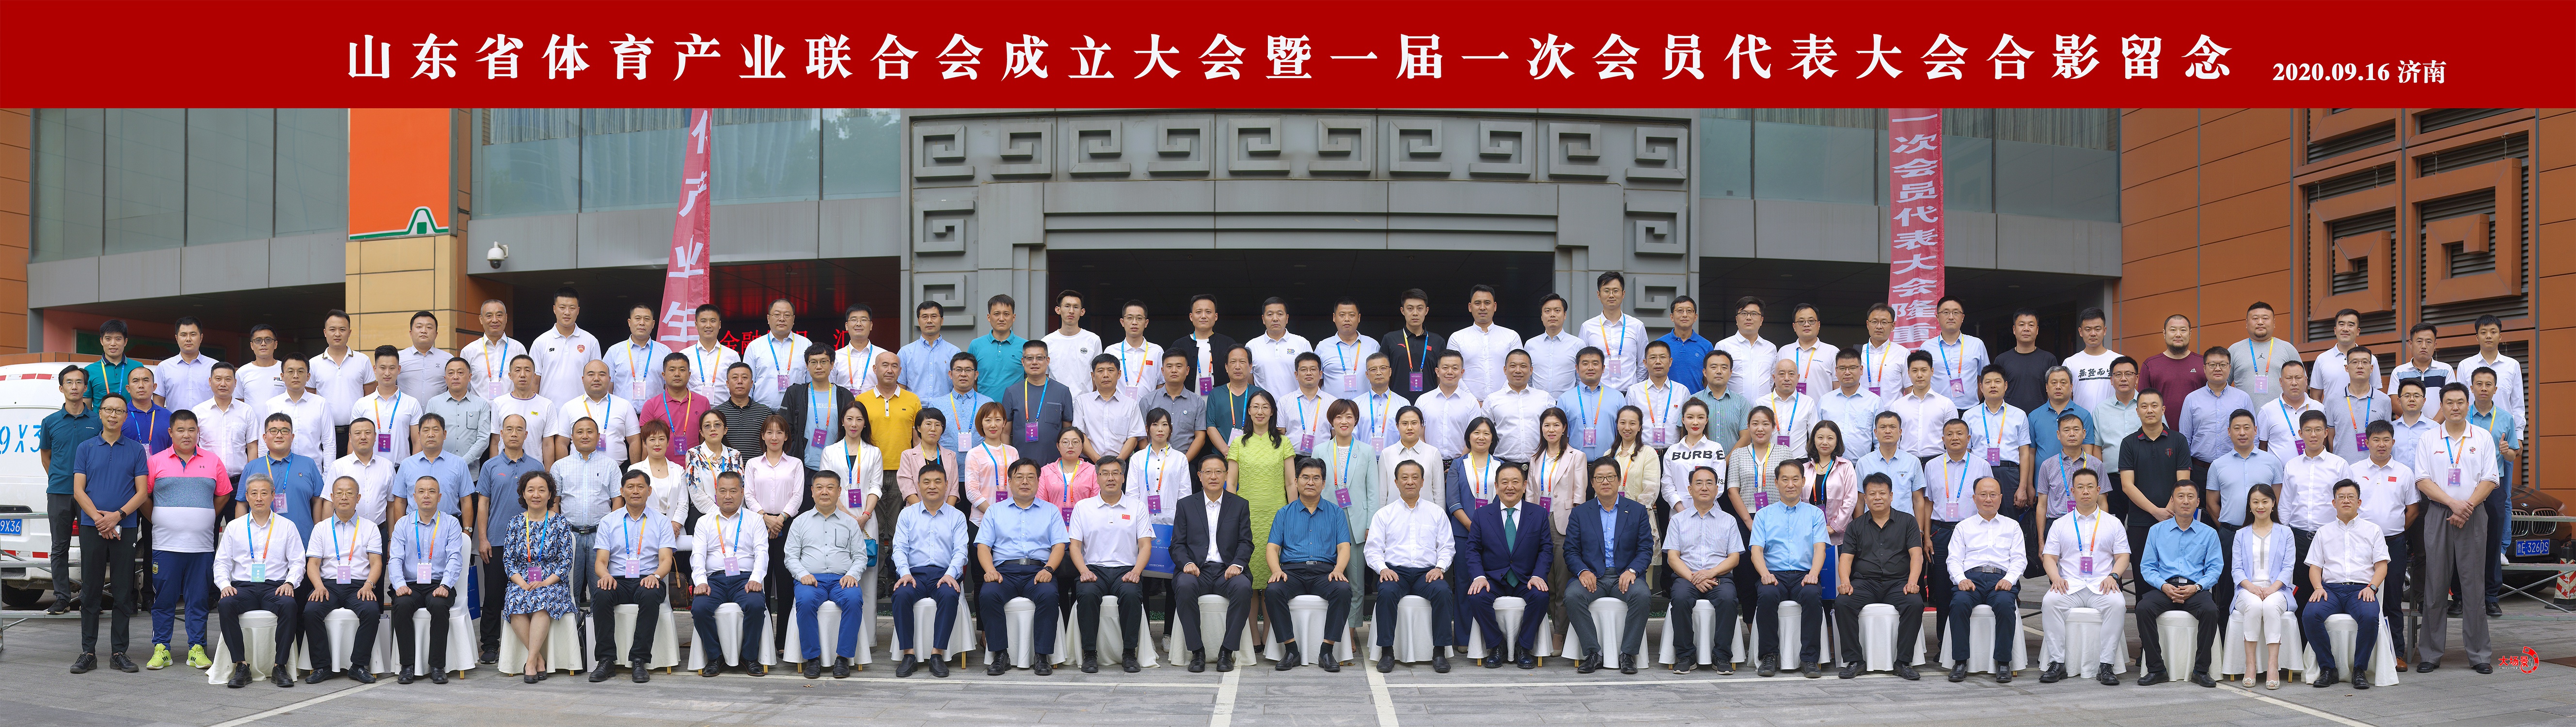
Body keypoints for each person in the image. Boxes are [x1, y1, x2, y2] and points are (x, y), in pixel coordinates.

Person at [2414, 382, 2495, 674]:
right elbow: (2422, 480)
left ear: (2468, 404)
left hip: (2473, 515)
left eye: (2461, 402)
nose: (2455, 407)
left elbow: (2490, 479)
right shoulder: (2429, 438)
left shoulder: (2482, 437)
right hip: (2439, 514)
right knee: (2436, 585)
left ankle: (2479, 655)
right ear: (2441, 406)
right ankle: (2430, 654)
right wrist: (2452, 504)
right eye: (2449, 402)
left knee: (2473, 585)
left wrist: (2466, 507)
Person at [70, 392, 147, 674]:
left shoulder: (136, 450)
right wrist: (99, 519)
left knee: (123, 590)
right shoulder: (86, 447)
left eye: (119, 411)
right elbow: (78, 490)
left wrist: (117, 516)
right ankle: (88, 652)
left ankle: (119, 652)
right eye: (108, 410)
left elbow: (142, 492)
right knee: (90, 590)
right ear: (100, 413)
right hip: (92, 526)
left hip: (125, 527)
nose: (113, 415)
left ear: (126, 416)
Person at [143, 409, 227, 671]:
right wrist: (159, 518)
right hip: (165, 545)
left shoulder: (213, 461)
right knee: (164, 599)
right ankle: (162, 649)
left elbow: (223, 494)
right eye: (180, 430)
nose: (186, 435)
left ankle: (196, 649)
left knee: (198, 599)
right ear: (171, 433)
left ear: (198, 432)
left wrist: (205, 517)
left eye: (192, 430)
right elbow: (143, 496)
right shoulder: (155, 462)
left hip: (201, 546)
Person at [977, 459, 1072, 675]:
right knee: (988, 594)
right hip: (1004, 573)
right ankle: (1000, 655)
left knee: (1049, 595)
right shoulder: (995, 511)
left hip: (1038, 572)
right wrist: (990, 570)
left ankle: (1042, 656)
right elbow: (983, 547)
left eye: (1031, 477)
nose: (1025, 482)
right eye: (1019, 477)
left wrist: (1049, 569)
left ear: (1038, 482)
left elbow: (1059, 546)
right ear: (1010, 482)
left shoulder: (1051, 511)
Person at [2036, 469, 2128, 686]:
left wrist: (2114, 576)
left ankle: (2106, 665)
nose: (2085, 492)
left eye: (2090, 487)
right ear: (2073, 491)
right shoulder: (2060, 524)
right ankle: (2057, 663)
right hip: (2070, 586)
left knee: (2118, 604)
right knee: (2050, 602)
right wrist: (2056, 578)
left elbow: (2123, 556)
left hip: (2102, 585)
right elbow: (2049, 557)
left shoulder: (2113, 523)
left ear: (2098, 490)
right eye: (2080, 487)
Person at [1564, 457, 1654, 675]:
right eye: (1600, 478)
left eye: (1611, 477)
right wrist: (1583, 571)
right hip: (1593, 576)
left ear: (1619, 480)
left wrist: (1632, 571)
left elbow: (1645, 549)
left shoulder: (1637, 511)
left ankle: (1628, 654)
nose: (1606, 482)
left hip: (1625, 576)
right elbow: (1571, 551)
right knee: (1573, 596)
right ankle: (1593, 653)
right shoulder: (1580, 513)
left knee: (1642, 596)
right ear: (1592, 483)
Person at [1262, 457, 1353, 671]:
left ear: (1324, 483)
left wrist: (1339, 569)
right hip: (1292, 572)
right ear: (1296, 481)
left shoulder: (1336, 513)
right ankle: (1291, 650)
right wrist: (1276, 570)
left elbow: (1344, 548)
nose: (1310, 482)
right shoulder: (1284, 513)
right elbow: (1272, 548)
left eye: (1316, 478)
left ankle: (1327, 651)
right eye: (1305, 478)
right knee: (1273, 591)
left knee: (1343, 590)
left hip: (1325, 573)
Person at [1364, 458, 1455, 673]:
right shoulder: (1384, 514)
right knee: (1386, 593)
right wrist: (1383, 569)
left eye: (1415, 477)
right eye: (1404, 478)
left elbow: (1447, 546)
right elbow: (1373, 549)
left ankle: (1439, 652)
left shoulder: (1436, 513)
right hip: (1395, 572)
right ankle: (1387, 652)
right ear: (1396, 482)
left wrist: (1440, 568)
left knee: (1443, 592)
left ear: (1423, 482)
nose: (1410, 482)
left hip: (1428, 573)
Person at [213, 475, 304, 688]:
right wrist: (225, 585)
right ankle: (241, 666)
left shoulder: (287, 526)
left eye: (264, 493)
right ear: (247, 496)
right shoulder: (235, 527)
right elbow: (221, 562)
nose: (259, 498)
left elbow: (298, 562)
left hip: (275, 587)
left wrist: (290, 583)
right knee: (226, 604)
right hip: (243, 588)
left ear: (273, 496)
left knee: (289, 605)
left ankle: (280, 666)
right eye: (254, 493)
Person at [2339, 418, 2417, 666]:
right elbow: (2346, 504)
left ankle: (2396, 654)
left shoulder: (2405, 473)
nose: (2381, 445)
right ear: (2367, 443)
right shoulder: (2354, 470)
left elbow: (2413, 510)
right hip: (2360, 542)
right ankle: (2362, 654)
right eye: (2376, 440)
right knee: (2360, 595)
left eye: (2386, 440)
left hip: (2394, 542)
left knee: (2393, 598)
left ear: (2393, 442)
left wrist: (2395, 530)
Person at [1069, 454, 1156, 673]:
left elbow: (1145, 545)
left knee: (1131, 594)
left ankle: (1129, 653)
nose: (1111, 478)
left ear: (1123, 478)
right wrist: (1083, 571)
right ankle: (1090, 654)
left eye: (1116, 473)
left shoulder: (1137, 507)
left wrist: (1137, 572)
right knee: (1087, 594)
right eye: (1105, 474)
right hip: (1093, 570)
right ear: (1097, 478)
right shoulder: (1083, 507)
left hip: (1126, 570)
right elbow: (1075, 546)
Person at [1464, 462, 1554, 670]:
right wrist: (1479, 577)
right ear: (1496, 487)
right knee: (1477, 597)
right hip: (1493, 579)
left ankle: (1524, 647)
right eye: (1504, 482)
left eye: (1515, 482)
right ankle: (1496, 646)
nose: (1510, 487)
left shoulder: (1539, 514)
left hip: (1526, 579)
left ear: (1525, 486)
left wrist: (1538, 575)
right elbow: (1473, 550)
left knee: (1541, 597)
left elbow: (1546, 549)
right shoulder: (1482, 515)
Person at [587, 470, 675, 683]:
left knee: (650, 594)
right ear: (622, 491)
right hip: (617, 580)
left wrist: (656, 576)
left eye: (641, 487)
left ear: (649, 491)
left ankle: (639, 660)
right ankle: (606, 660)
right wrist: (605, 576)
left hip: (648, 578)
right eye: (630, 487)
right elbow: (601, 562)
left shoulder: (662, 522)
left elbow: (666, 560)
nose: (636, 491)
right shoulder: (609, 521)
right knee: (601, 594)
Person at [1171, 453, 1255, 672]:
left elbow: (1246, 542)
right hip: (1197, 571)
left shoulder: (1239, 505)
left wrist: (1237, 564)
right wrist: (1186, 564)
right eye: (1208, 472)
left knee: (1243, 587)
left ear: (1226, 475)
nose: (1214, 476)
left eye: (1219, 472)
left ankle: (1226, 651)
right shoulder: (1186, 505)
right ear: (1199, 476)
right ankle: (1197, 652)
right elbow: (1177, 545)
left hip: (1227, 571)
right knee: (1184, 586)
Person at [2302, 479, 2389, 689]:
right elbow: (2315, 567)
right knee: (2310, 615)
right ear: (2334, 503)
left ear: (2359, 502)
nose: (2346, 501)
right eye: (2341, 497)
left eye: (2351, 497)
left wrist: (2372, 588)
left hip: (2361, 590)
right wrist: (2318, 588)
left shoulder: (2373, 530)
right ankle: (2328, 669)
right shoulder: (2323, 532)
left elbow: (2382, 566)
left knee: (2370, 616)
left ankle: (2359, 670)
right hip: (2330, 590)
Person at [2134, 482, 2223, 687]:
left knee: (2210, 611)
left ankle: (2201, 670)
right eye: (2180, 496)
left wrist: (2197, 587)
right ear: (2172, 501)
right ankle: (2156, 669)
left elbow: (2215, 569)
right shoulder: (2157, 531)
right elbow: (2147, 567)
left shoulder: (2209, 533)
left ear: (2198, 502)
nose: (2186, 501)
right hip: (2165, 587)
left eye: (2191, 497)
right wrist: (2164, 586)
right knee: (2143, 609)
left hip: (2195, 588)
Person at [1833, 473, 1921, 680]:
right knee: (1843, 603)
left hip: (1898, 583)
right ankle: (1855, 660)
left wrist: (1913, 582)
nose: (1878, 498)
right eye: (1872, 494)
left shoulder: (1908, 522)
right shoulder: (1856, 526)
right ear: (1865, 498)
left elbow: (1916, 555)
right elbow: (1846, 558)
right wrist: (1845, 582)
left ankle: (1903, 662)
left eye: (1882, 493)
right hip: (1865, 583)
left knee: (1915, 604)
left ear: (1891, 496)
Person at [476, 414, 547, 665]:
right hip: (496, 540)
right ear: (501, 434)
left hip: (530, 543)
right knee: (493, 595)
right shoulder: (490, 466)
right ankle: (490, 644)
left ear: (527, 435)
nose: (514, 434)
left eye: (519, 430)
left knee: (529, 589)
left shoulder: (536, 466)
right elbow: (483, 504)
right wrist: (482, 538)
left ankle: (529, 645)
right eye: (509, 429)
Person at [787, 470, 871, 679]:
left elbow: (860, 557)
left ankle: (843, 659)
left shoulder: (850, 523)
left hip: (842, 580)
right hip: (811, 580)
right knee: (805, 602)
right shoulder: (800, 522)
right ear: (812, 491)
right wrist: (802, 574)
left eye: (830, 488)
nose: (825, 492)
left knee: (854, 600)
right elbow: (790, 557)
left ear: (839, 492)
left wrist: (852, 575)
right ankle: (812, 659)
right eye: (820, 488)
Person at [297, 477, 381, 684]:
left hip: (359, 586)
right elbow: (313, 564)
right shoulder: (321, 528)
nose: (344, 497)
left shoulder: (370, 528)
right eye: (339, 493)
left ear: (358, 498)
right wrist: (318, 586)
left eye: (350, 493)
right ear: (332, 497)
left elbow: (376, 563)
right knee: (311, 611)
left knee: (371, 611)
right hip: (328, 585)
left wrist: (369, 585)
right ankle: (322, 666)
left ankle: (358, 666)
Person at [1750, 458, 1829, 678]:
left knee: (1812, 595)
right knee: (1766, 595)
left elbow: (1820, 549)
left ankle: (1810, 659)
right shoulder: (1764, 514)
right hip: (1774, 575)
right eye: (1785, 480)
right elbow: (1756, 551)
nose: (1791, 484)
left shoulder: (1815, 514)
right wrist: (1765, 574)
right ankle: (1769, 656)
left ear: (1803, 481)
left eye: (1796, 479)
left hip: (1805, 575)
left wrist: (1814, 574)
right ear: (1776, 483)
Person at [687, 472, 769, 678]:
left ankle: (749, 657)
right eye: (723, 491)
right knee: (700, 608)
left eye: (733, 491)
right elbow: (698, 555)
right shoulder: (704, 522)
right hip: (714, 580)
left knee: (756, 605)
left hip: (745, 579)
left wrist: (756, 578)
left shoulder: (755, 520)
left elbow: (762, 552)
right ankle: (715, 657)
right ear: (716, 493)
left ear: (742, 492)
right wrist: (701, 582)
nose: (728, 496)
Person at [890, 463, 968, 678]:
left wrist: (951, 574)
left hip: (944, 574)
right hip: (914, 574)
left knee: (949, 595)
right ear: (918, 486)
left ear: (947, 485)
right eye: (926, 482)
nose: (932, 486)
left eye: (937, 482)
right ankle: (908, 655)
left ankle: (937, 654)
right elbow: (899, 548)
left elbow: (961, 551)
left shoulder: (957, 516)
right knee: (901, 595)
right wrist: (905, 573)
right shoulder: (907, 515)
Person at [1942, 477, 2023, 683]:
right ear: (1974, 498)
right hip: (1971, 580)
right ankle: (1960, 662)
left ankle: (2003, 663)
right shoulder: (1963, 527)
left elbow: (2019, 559)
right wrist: (1960, 579)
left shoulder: (2012, 526)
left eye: (1993, 495)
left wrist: (2010, 579)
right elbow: (1953, 559)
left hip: (2001, 579)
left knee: (2005, 605)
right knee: (1959, 604)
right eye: (1983, 495)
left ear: (2001, 498)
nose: (1988, 499)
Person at [387, 476, 467, 683]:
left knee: (439, 606)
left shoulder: (451, 523)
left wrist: (446, 585)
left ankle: (437, 666)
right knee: (402, 605)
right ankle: (407, 666)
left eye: (432, 491)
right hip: (410, 585)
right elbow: (395, 559)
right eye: (421, 491)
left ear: (439, 497)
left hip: (438, 584)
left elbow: (455, 558)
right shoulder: (403, 524)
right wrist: (399, 585)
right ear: (414, 497)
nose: (426, 496)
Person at [1663, 466, 1742, 675]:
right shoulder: (1677, 520)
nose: (1704, 488)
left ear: (1717, 489)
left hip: (1719, 577)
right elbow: (1673, 558)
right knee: (1680, 598)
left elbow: (1734, 558)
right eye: (1699, 483)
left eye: (1709, 483)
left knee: (1728, 599)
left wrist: (1710, 573)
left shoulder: (1729, 520)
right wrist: (1694, 578)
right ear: (1690, 489)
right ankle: (1686, 655)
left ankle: (1722, 655)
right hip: (1686, 577)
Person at [2116, 389, 2193, 593]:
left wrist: (2168, 511)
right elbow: (2127, 485)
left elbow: (2183, 484)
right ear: (2137, 411)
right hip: (2140, 522)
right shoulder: (2129, 443)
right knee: (2143, 581)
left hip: (2174, 520)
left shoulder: (2178, 441)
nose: (2149, 410)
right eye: (2144, 406)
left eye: (2154, 406)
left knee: (2174, 577)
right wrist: (2155, 511)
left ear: (2163, 409)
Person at [40, 365, 102, 616]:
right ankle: (62, 598)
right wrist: (60, 479)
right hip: (59, 492)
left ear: (86, 387)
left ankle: (90, 599)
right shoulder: (50, 422)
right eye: (69, 382)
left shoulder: (97, 421)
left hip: (91, 494)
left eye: (79, 382)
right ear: (61, 388)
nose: (74, 387)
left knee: (92, 548)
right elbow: (46, 457)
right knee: (59, 547)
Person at [501, 472, 575, 682]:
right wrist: (523, 584)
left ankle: (531, 662)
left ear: (550, 494)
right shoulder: (515, 523)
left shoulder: (560, 523)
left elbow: (566, 561)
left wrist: (545, 582)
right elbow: (508, 561)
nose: (536, 495)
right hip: (521, 581)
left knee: (542, 600)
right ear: (523, 494)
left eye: (542, 490)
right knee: (514, 601)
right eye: (531, 490)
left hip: (552, 581)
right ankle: (539, 660)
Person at [2206, 409, 2281, 610]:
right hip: (2230, 534)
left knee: (2262, 584)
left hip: (2264, 535)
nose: (2242, 433)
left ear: (2256, 430)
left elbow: (2276, 499)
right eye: (2237, 428)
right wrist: (2228, 528)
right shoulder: (2218, 465)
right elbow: (2212, 504)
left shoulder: (2272, 462)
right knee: (2225, 589)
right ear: (2229, 432)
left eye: (2247, 428)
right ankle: (2225, 628)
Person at [1324, 401, 1383, 633]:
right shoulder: (1320, 450)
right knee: (1329, 578)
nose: (1344, 422)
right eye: (1339, 417)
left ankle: (1350, 630)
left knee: (1357, 582)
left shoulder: (1366, 451)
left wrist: (1370, 525)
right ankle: (1331, 629)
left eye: (1349, 417)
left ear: (1356, 420)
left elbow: (1373, 491)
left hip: (1358, 523)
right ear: (1332, 421)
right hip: (1329, 521)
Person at [548, 418, 622, 601]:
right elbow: (555, 501)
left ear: (598, 436)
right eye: (580, 432)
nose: (585, 436)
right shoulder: (560, 466)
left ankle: (598, 621)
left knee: (601, 589)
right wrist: (560, 530)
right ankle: (573, 621)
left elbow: (617, 501)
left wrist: (611, 530)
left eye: (590, 432)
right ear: (572, 437)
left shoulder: (610, 465)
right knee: (569, 589)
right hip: (570, 535)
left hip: (601, 536)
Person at [2464, 367, 2518, 619]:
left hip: (2494, 485)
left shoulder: (2506, 418)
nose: (2484, 389)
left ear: (2496, 389)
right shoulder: (2462, 414)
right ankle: (2460, 597)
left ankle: (2491, 597)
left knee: (2493, 542)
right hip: (2465, 485)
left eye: (2488, 385)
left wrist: (2507, 451)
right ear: (2471, 388)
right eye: (2479, 384)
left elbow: (2513, 455)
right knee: (2462, 542)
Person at [1228, 391, 1296, 587]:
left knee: (1274, 578)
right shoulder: (1238, 443)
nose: (1260, 412)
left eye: (1265, 407)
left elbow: (1291, 483)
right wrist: (1230, 514)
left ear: (1272, 412)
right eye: (1256, 407)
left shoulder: (1284, 443)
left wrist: (1294, 513)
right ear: (1249, 411)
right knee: (1246, 577)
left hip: (1277, 514)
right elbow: (1231, 483)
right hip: (1246, 515)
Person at [2233, 483, 2298, 690]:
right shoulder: (2241, 534)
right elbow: (2237, 570)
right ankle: (2250, 665)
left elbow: (2288, 567)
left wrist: (2272, 589)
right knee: (2253, 606)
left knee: (2270, 606)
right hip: (2247, 589)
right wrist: (2252, 588)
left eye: (2265, 502)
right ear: (2250, 506)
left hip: (2278, 589)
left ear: (2273, 504)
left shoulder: (2286, 533)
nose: (2260, 506)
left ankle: (2273, 666)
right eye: (2255, 502)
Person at [741, 415, 805, 622]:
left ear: (786, 436)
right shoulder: (753, 464)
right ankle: (764, 632)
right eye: (769, 432)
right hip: (759, 524)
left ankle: (783, 636)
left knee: (786, 580)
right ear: (763, 436)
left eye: (779, 432)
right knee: (762, 578)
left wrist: (781, 519)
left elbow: (798, 495)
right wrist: (766, 518)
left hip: (788, 524)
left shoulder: (796, 464)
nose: (774, 437)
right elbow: (749, 495)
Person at [781, 343, 861, 472]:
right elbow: (785, 429)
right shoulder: (795, 393)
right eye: (813, 362)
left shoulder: (845, 396)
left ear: (832, 364)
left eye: (824, 362)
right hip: (803, 466)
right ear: (807, 366)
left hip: (838, 466)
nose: (819, 367)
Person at [2180, 347, 2249, 488]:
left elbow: (2253, 435)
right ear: (2204, 368)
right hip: (2200, 470)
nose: (2218, 369)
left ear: (2230, 368)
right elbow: (2185, 439)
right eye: (2212, 365)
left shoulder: (2243, 398)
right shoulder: (2192, 399)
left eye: (2223, 364)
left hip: (2235, 467)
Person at [553, 360, 641, 463]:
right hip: (578, 470)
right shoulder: (569, 407)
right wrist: (563, 470)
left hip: (618, 469)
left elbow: (635, 440)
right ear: (583, 379)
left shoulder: (625, 406)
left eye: (602, 375)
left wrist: (634, 470)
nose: (596, 379)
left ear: (609, 379)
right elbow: (562, 443)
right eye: (591, 375)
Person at [1004, 341, 1077, 464]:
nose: (1034, 362)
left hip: (1054, 465)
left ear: (1047, 361)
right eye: (1029, 358)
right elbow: (1005, 433)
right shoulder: (1012, 392)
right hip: (1020, 465)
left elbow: (1067, 432)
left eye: (1039, 358)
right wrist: (1008, 462)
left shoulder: (1063, 392)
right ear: (1023, 361)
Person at [1658, 399, 1727, 518]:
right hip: (1678, 514)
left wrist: (1700, 509)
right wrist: (1682, 511)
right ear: (1683, 420)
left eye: (1701, 418)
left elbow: (1719, 485)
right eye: (1690, 417)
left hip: (1709, 512)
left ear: (1707, 420)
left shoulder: (1716, 448)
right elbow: (1667, 485)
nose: (1695, 422)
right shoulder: (1672, 450)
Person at [395, 414, 470, 520]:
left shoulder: (459, 464)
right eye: (426, 431)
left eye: (436, 430)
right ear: (419, 435)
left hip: (449, 525)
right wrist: (401, 528)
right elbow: (400, 501)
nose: (431, 435)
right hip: (414, 525)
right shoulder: (406, 465)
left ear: (444, 434)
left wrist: (467, 529)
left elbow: (466, 501)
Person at [2322, 346, 2390, 464]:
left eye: (2365, 362)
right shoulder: (2332, 400)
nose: (2360, 366)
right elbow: (2331, 437)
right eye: (2355, 362)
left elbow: (2387, 436)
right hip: (2342, 467)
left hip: (2374, 468)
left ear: (2372, 368)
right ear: (2347, 368)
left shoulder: (2384, 401)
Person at [1451, 285, 1520, 399]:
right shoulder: (1457, 338)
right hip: (1466, 403)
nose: (1482, 308)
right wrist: (1472, 401)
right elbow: (1453, 373)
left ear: (1495, 306)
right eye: (1478, 303)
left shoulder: (1512, 336)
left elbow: (1518, 370)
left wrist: (1499, 399)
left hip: (1506, 401)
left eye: (1487, 303)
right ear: (1470, 307)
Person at [1414, 349, 1485, 460]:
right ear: (1438, 372)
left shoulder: (1471, 403)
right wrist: (1429, 460)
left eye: (1455, 368)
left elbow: (1474, 436)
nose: (1450, 372)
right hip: (1428, 461)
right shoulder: (1423, 401)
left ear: (1462, 373)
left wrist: (1458, 464)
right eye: (1445, 368)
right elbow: (1419, 435)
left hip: (1462, 462)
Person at [743, 299, 815, 408]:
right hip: (762, 412)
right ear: (768, 318)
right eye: (777, 315)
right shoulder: (755, 346)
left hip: (797, 411)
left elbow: (812, 381)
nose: (782, 319)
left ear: (793, 319)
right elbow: (748, 382)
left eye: (787, 315)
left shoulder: (806, 345)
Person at [2137, 315, 2204, 431]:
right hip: (2160, 435)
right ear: (2164, 333)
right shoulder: (2151, 365)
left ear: (2190, 333)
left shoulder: (2203, 364)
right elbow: (2143, 403)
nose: (2178, 334)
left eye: (2183, 330)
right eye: (2173, 330)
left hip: (2198, 434)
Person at [1558, 348, 1626, 460]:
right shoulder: (1565, 399)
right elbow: (1560, 436)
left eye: (1595, 364)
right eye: (1585, 364)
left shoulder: (1618, 397)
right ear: (1577, 368)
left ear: (1603, 368)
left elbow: (1624, 433)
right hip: (1575, 464)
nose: (1590, 368)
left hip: (1610, 464)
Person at [641, 352, 712, 458]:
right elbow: (646, 444)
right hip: (662, 466)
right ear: (664, 375)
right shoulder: (651, 405)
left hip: (696, 464)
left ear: (689, 375)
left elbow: (707, 439)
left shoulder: (703, 402)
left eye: (682, 370)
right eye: (672, 370)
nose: (677, 374)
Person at [1374, 289, 1442, 398]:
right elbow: (1383, 372)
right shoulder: (1390, 339)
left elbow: (1441, 377)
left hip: (1429, 403)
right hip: (1396, 402)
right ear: (1403, 311)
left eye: (1420, 308)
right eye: (1410, 309)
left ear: (1427, 311)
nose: (1415, 313)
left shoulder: (1438, 341)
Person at [1166, 294, 1237, 398]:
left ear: (1216, 316)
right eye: (1199, 312)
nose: (1203, 316)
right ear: (1191, 317)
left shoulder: (1228, 344)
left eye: (1208, 312)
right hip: (1187, 403)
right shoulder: (1179, 345)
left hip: (1223, 403)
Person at [1885, 352, 1954, 459]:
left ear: (1932, 371)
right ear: (1908, 373)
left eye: (1924, 370)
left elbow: (1952, 438)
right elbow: (1894, 440)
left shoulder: (1946, 404)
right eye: (1915, 371)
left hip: (1938, 460)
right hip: (1906, 461)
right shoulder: (1897, 406)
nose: (1920, 375)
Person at [1075, 354, 1144, 460]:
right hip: (1090, 462)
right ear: (1093, 376)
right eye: (1100, 371)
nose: (1106, 375)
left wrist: (1118, 463)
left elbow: (1133, 438)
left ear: (1119, 374)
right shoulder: (1082, 401)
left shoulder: (1131, 404)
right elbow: (1079, 435)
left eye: (1111, 370)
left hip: (1121, 463)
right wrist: (1098, 461)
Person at [1856, 411, 1924, 518]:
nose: (1888, 431)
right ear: (1875, 432)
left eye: (1893, 427)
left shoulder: (1913, 462)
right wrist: (1859, 527)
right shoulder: (1863, 463)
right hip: (1872, 525)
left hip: (1905, 525)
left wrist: (1918, 527)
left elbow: (1918, 500)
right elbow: (1860, 501)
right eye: (1883, 427)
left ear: (1900, 432)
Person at [1627, 341, 1691, 453]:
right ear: (1645, 363)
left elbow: (1687, 426)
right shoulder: (1634, 392)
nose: (1658, 362)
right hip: (1642, 453)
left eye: (1663, 357)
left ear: (1670, 362)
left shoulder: (1682, 391)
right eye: (1653, 358)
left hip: (1674, 453)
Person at [425, 359, 494, 463]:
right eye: (451, 373)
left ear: (470, 377)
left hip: (470, 469)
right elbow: (428, 435)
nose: (456, 377)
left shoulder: (481, 404)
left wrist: (463, 462)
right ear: (445, 379)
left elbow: (483, 439)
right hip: (439, 465)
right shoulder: (434, 403)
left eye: (461, 373)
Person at [1144, 351, 1209, 459]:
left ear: (1187, 371)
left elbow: (1200, 437)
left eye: (1179, 366)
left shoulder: (1197, 402)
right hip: (1152, 461)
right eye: (1169, 366)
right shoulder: (1148, 401)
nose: (1174, 370)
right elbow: (1142, 437)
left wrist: (1183, 463)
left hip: (1185, 462)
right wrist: (1151, 460)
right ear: (1163, 371)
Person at [493, 355, 557, 463]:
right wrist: (494, 469)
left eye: (527, 370)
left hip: (535, 469)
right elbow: (495, 442)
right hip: (504, 467)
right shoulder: (499, 403)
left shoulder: (547, 405)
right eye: (518, 370)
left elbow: (548, 445)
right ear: (510, 376)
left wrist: (547, 472)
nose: (523, 375)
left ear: (534, 376)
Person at [1817, 349, 1883, 454]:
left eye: (1852, 368)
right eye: (1842, 368)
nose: (1847, 373)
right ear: (1836, 371)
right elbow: (1817, 437)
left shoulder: (1874, 402)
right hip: (1831, 462)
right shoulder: (1825, 401)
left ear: (1861, 370)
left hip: (1862, 463)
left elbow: (1879, 440)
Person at [2307, 309, 2379, 403]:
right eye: (2341, 324)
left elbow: (2377, 395)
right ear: (2335, 330)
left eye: (2351, 325)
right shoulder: (2322, 359)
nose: (2345, 329)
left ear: (2358, 331)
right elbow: (2315, 398)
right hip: (2331, 413)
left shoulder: (2371, 360)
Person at [1043, 290, 1106, 396]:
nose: (1071, 311)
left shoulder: (1093, 340)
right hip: (1056, 401)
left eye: (1076, 307)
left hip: (1085, 402)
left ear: (1082, 312)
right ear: (1058, 310)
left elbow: (1097, 375)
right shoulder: (1047, 342)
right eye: (1067, 306)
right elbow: (1045, 376)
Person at [459, 300, 525, 400]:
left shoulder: (518, 349)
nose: (495, 320)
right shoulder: (469, 351)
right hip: (479, 409)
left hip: (511, 408)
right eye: (489, 316)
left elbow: (526, 383)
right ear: (481, 319)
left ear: (506, 318)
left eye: (499, 315)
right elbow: (464, 387)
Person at [1713, 297, 1775, 400]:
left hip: (1763, 408)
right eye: (1744, 313)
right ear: (1737, 320)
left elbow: (1772, 382)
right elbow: (1716, 380)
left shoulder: (1771, 348)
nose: (1749, 318)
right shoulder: (1724, 346)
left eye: (1754, 314)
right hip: (1732, 407)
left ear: (1761, 320)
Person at [1317, 298, 1380, 400]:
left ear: (1359, 318)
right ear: (1334, 317)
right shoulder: (1323, 347)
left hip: (1367, 406)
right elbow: (1317, 381)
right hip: (1333, 407)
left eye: (1352, 315)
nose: (1347, 319)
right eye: (1342, 315)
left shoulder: (1373, 345)